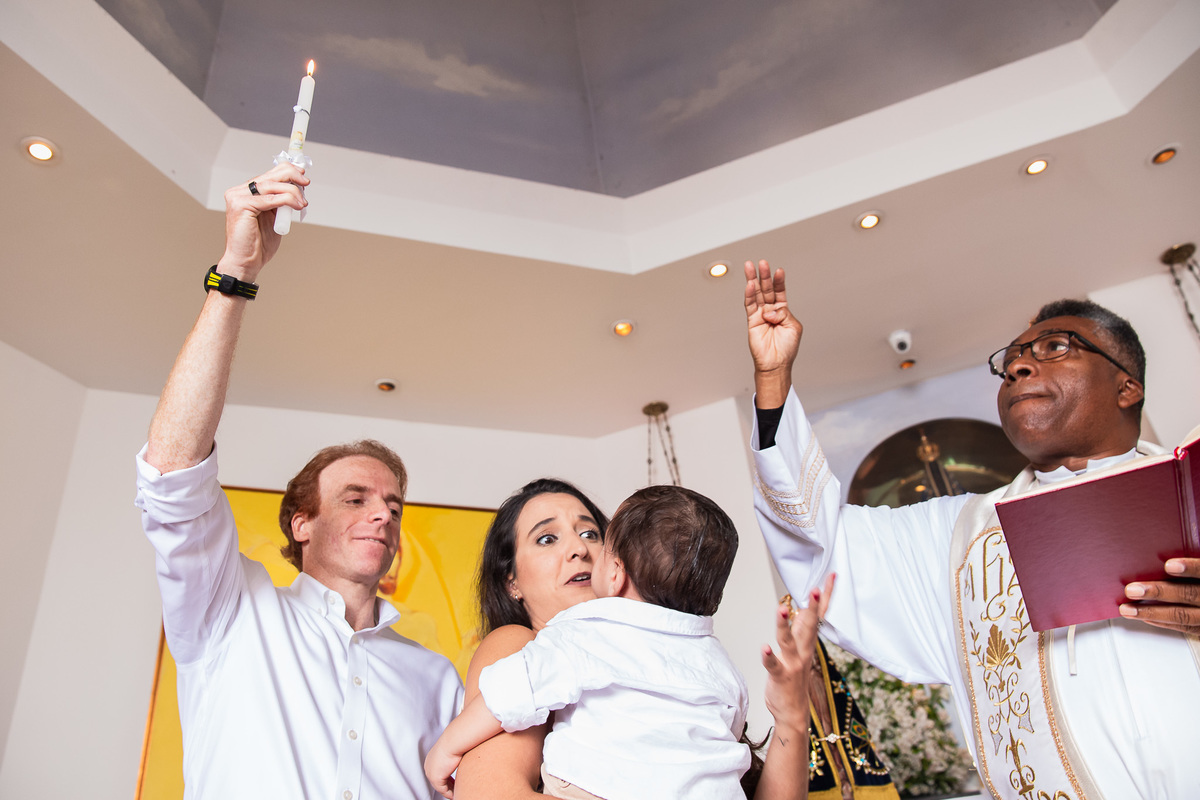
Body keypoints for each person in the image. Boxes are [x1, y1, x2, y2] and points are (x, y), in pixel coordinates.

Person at [742, 259, 1200, 800]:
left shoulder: (1189, 494)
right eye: (1009, 363)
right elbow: (821, 545)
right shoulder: (958, 540)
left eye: (1054, 348)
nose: (1018, 368)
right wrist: (773, 383)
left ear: (1127, 387)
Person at [134, 162, 462, 800]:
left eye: (394, 504)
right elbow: (171, 473)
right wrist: (236, 275)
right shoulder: (230, 612)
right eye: (356, 498)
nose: (384, 515)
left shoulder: (437, 679)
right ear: (300, 522)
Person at [448, 479, 827, 800]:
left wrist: (792, 718)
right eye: (547, 538)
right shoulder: (519, 645)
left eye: (591, 533)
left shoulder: (691, 660)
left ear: (618, 562)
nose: (579, 548)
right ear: (510, 580)